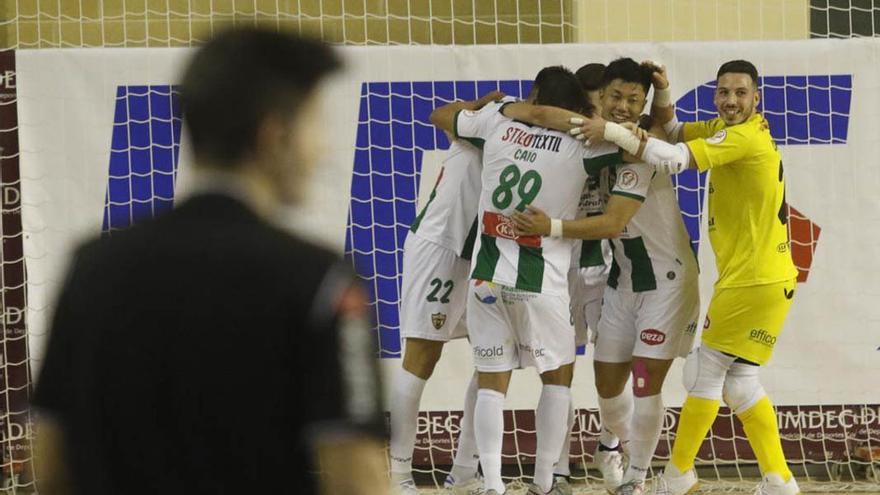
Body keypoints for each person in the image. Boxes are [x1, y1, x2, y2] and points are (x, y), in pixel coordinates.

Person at [31, 28, 386, 495]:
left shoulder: (91, 267)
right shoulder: (323, 280)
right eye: (316, 123)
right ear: (274, 134)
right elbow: (356, 476)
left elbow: (51, 463)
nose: (325, 151)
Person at [578, 59, 801, 495]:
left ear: (757, 98)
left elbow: (676, 158)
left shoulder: (743, 136)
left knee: (704, 372)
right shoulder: (725, 128)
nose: (731, 100)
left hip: (752, 280)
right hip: (767, 278)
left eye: (741, 93)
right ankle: (779, 481)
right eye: (724, 92)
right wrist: (661, 92)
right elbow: (675, 130)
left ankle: (676, 476)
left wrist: (612, 131)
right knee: (739, 383)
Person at [513, 58, 700, 495]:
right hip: (623, 280)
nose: (622, 106)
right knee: (608, 387)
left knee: (645, 384)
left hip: (666, 283)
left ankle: (637, 477)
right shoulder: (594, 139)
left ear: (642, 106)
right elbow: (549, 120)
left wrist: (551, 228)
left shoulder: (644, 146)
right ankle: (611, 446)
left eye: (633, 100)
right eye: (615, 96)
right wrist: (504, 109)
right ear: (600, 97)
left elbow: (615, 223)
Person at [431, 66, 620, 495]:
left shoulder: (498, 121)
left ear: (534, 95)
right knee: (557, 379)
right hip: (541, 283)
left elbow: (441, 116)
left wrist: (498, 106)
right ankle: (543, 483)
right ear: (575, 107)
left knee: (491, 383)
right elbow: (635, 149)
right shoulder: (582, 147)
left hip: (486, 278)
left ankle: (493, 486)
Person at [389, 89, 507, 495]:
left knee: (495, 357)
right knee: (422, 355)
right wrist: (472, 107)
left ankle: (464, 470)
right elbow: (441, 115)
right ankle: (398, 473)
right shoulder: (502, 118)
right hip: (441, 245)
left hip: (481, 253)